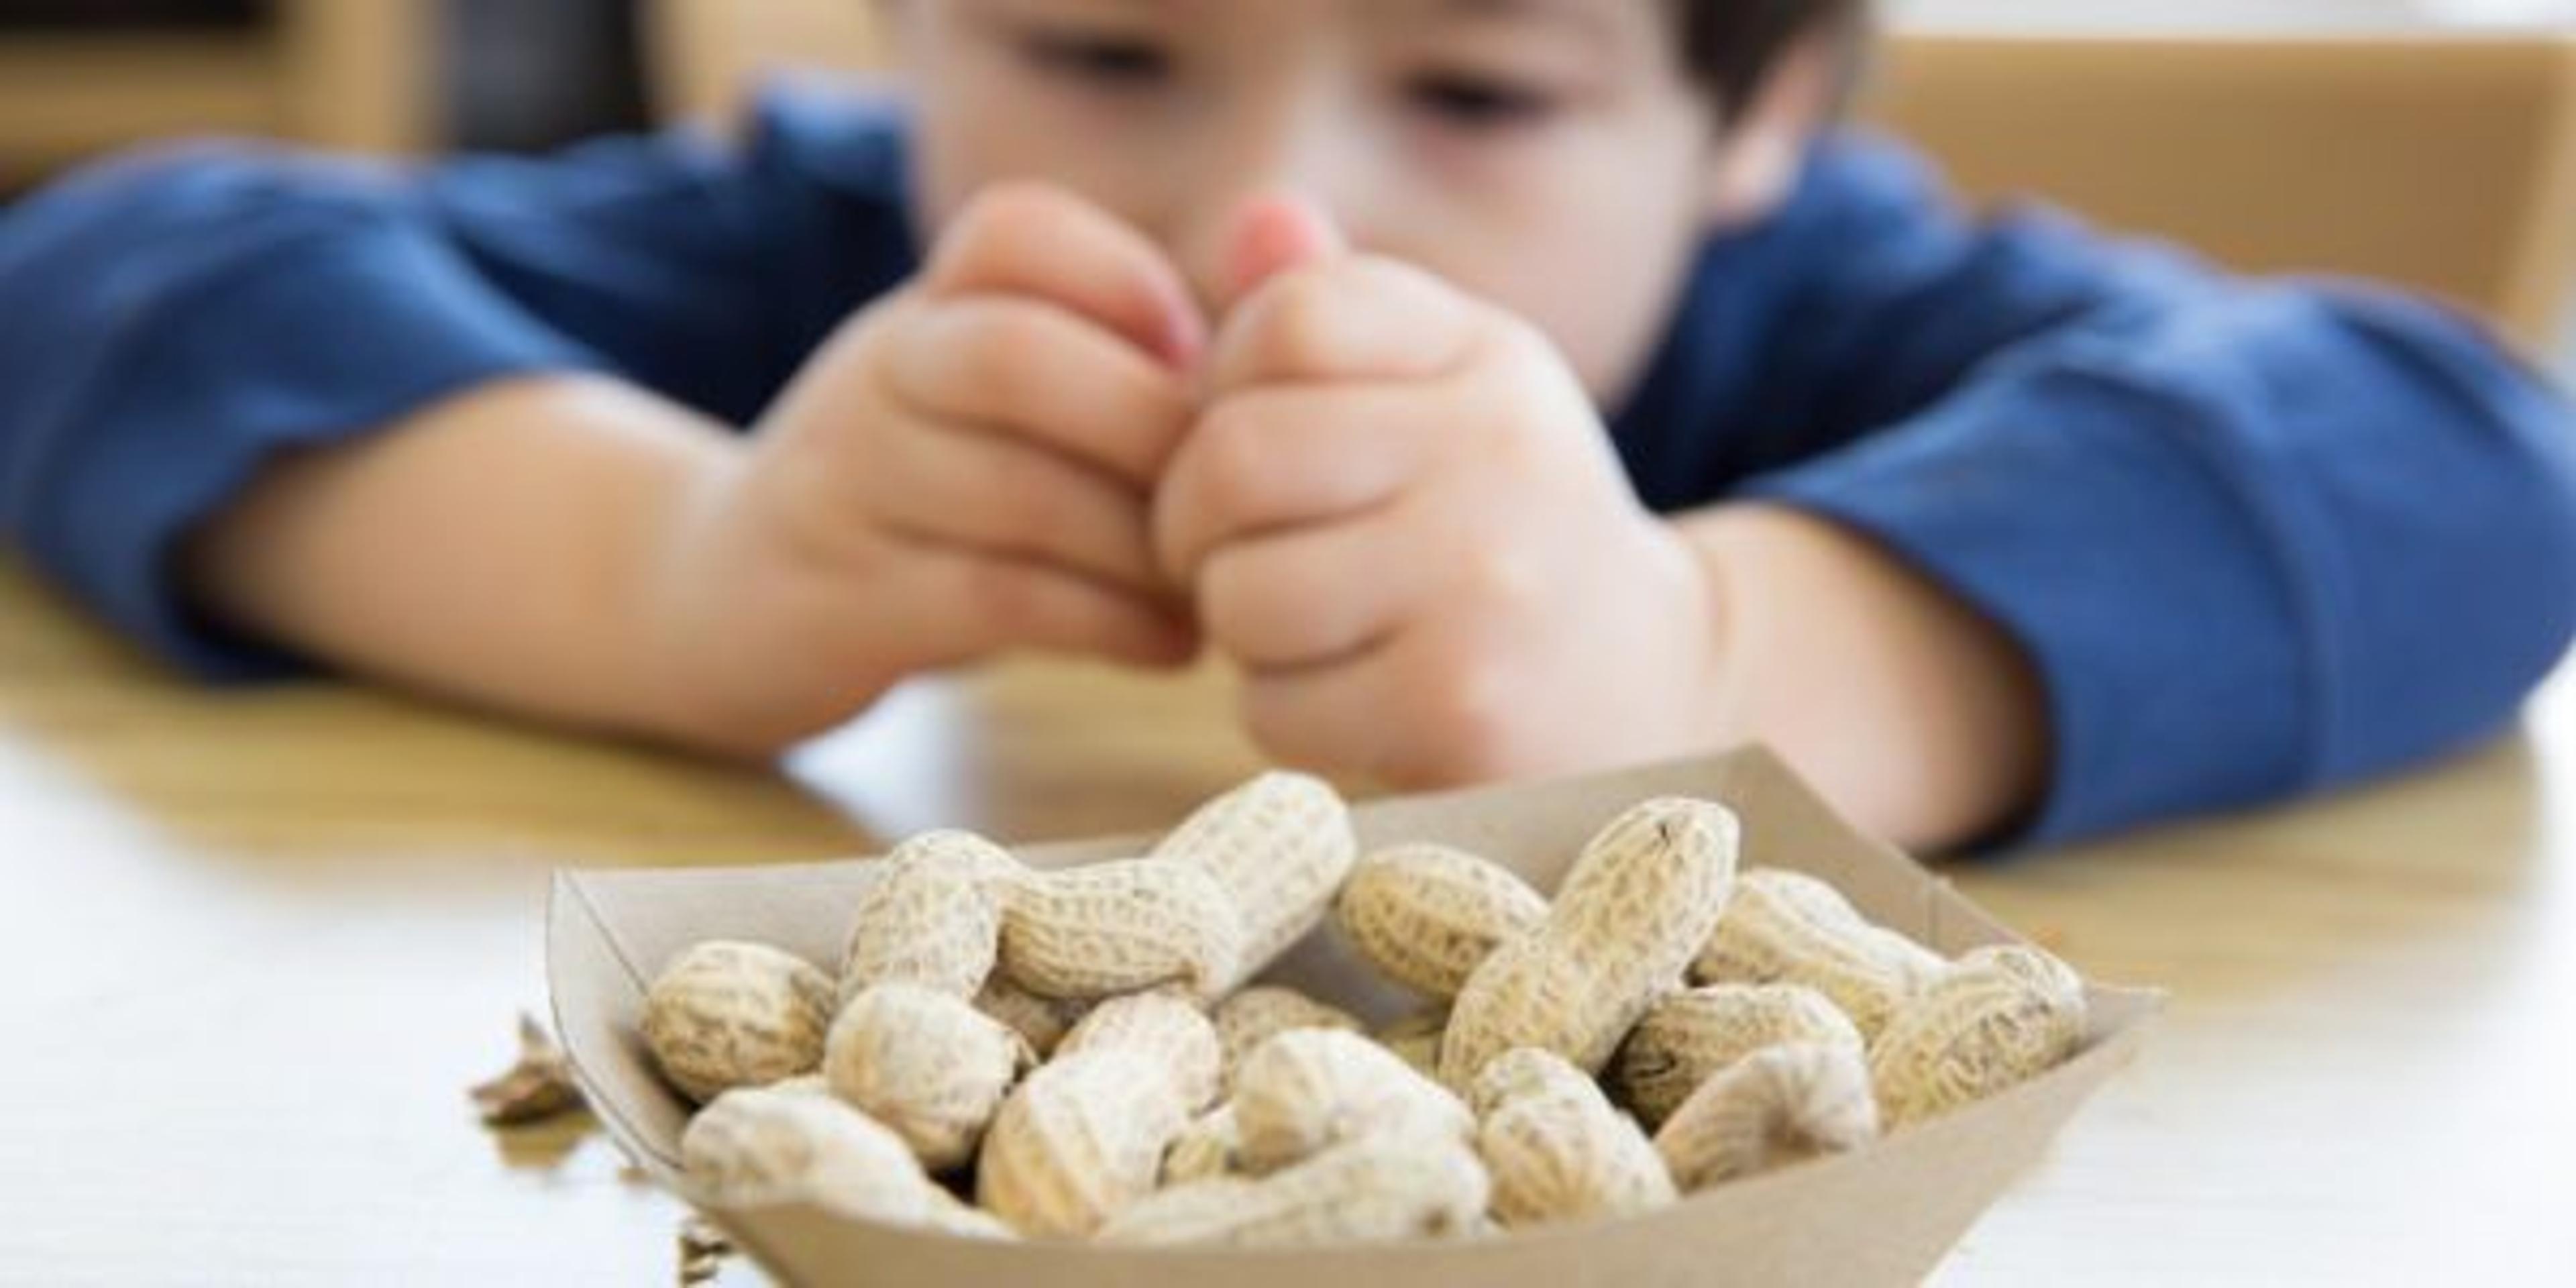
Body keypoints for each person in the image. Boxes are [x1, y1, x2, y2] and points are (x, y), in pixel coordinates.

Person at [1, 0, 2570, 851]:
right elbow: (115, 270)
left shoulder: (1836, 309)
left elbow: (2466, 458)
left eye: (1474, 86)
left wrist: (1708, 656)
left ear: (1760, 108)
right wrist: (665, 568)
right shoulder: (824, 265)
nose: (1268, 215)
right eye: (1105, 48)